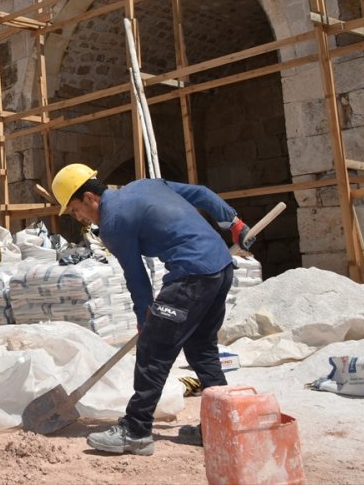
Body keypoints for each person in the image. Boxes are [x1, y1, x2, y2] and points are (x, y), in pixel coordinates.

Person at [50, 163, 255, 456]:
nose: (79, 218)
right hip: (220, 268)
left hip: (191, 275)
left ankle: (135, 430)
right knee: (202, 348)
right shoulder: (144, 185)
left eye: (74, 210)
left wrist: (144, 320)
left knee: (153, 351)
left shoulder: (113, 222)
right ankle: (220, 426)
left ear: (88, 198)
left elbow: (136, 277)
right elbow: (201, 193)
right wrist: (233, 223)